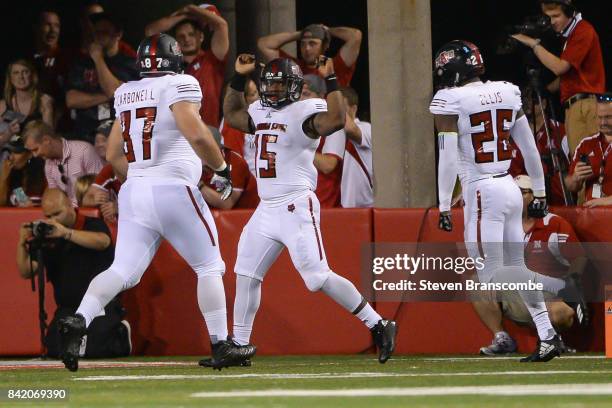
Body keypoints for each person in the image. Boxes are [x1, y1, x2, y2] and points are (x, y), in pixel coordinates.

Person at [56, 34, 254, 372]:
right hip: (174, 188)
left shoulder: (126, 92)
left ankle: (79, 319)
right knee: (209, 266)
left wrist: (140, 178)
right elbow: (195, 132)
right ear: (174, 60)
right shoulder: (181, 84)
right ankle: (221, 344)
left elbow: (115, 152)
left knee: (121, 270)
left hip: (136, 190)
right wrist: (220, 169)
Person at [221, 54, 396, 365]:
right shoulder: (260, 110)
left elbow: (335, 119)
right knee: (246, 272)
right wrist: (237, 78)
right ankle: (238, 344)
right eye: (268, 84)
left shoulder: (306, 110)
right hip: (267, 206)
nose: (272, 91)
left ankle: (379, 324)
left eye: (279, 85)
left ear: (294, 87)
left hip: (295, 204)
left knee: (316, 277)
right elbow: (232, 113)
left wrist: (331, 80)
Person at [431, 40, 562, 362]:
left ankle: (554, 286)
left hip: (481, 191)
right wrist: (541, 191)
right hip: (509, 186)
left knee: (488, 274)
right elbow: (529, 148)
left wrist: (444, 203)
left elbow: (448, 157)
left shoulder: (450, 99)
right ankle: (548, 335)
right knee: (513, 267)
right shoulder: (507, 91)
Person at [475, 175, 588, 356]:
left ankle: (552, 338)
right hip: (517, 292)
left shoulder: (553, 223)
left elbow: (579, 257)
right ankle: (502, 338)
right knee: (478, 281)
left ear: (534, 196)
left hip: (547, 294)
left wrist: (572, 281)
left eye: (522, 192)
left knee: (562, 314)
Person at [16, 189, 130, 359]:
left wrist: (66, 233)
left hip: (99, 306)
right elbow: (26, 272)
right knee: (57, 350)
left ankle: (121, 332)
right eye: (49, 216)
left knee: (95, 350)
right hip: (68, 308)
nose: (53, 220)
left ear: (70, 205)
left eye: (57, 213)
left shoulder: (91, 224)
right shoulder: (49, 237)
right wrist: (21, 243)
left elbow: (103, 242)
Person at [511, 0, 605, 155]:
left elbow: (560, 68)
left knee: (588, 160)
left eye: (556, 16)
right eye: (549, 17)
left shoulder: (582, 30)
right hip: (576, 105)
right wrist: (542, 90)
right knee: (579, 160)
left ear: (570, 13)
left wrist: (533, 45)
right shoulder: (569, 36)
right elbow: (567, 78)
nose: (552, 22)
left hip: (585, 106)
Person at [145, 4, 229, 127]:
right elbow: (150, 31)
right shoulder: (170, 64)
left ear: (201, 37)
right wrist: (184, 15)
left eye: (191, 34)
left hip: (208, 132)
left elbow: (221, 25)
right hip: (177, 134)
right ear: (175, 41)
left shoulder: (213, 59)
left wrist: (190, 8)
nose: (186, 39)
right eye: (181, 36)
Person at [66, 12, 138, 142]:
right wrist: (109, 95)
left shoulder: (131, 64)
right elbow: (71, 99)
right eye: (96, 32)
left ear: (118, 34)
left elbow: (115, 92)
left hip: (119, 132)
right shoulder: (82, 63)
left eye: (104, 32)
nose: (98, 37)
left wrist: (98, 58)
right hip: (86, 131)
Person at [508, 89, 570, 206]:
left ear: (544, 104)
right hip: (522, 203)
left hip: (557, 203)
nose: (529, 104)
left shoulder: (559, 131)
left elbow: (571, 169)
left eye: (534, 101)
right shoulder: (512, 134)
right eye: (525, 100)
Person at [22, 120, 103, 206]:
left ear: (46, 140)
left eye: (36, 149)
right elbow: (55, 197)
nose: (35, 155)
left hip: (91, 212)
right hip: (68, 215)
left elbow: (101, 187)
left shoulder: (84, 151)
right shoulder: (48, 166)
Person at [258, 24, 361, 86]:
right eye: (303, 43)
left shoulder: (336, 66)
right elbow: (264, 44)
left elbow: (355, 36)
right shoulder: (294, 67)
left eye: (312, 43)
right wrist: (301, 33)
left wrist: (327, 30)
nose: (306, 48)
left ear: (325, 46)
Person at [301, 75, 345, 208]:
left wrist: (297, 147)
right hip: (299, 207)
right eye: (298, 95)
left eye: (306, 94)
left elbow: (328, 165)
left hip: (325, 208)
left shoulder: (332, 125)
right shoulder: (294, 123)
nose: (301, 100)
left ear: (321, 96)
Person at [565, 93, 612, 207]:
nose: (603, 123)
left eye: (608, 117)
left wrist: (605, 201)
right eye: (599, 117)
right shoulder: (586, 144)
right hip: (591, 215)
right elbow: (571, 185)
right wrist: (576, 178)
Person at [0, 59, 54, 146]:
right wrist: (8, 133)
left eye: (25, 72)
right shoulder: (2, 105)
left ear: (32, 76)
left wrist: (48, 110)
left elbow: (49, 140)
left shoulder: (44, 101)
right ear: (10, 78)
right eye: (16, 73)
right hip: (10, 154)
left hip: (36, 153)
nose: (21, 77)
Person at [340, 87, 373, 208]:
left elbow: (350, 128)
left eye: (340, 107)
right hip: (338, 206)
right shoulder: (328, 135)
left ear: (353, 109)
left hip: (364, 207)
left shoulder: (366, 128)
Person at [220, 78, 260, 176]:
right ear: (242, 97)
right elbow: (235, 159)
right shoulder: (233, 122)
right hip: (248, 181)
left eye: (257, 92)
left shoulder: (261, 114)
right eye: (253, 94)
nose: (258, 97)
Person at [200, 146, 259, 210]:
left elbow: (227, 203)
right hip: (213, 215)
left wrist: (198, 184)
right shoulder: (200, 168)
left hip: (247, 215)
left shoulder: (234, 161)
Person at [0, 135, 46, 206]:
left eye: (16, 152)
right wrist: (3, 179)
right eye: (10, 151)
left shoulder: (45, 172)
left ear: (30, 154)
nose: (11, 157)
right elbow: (1, 203)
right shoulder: (13, 173)